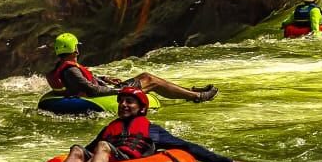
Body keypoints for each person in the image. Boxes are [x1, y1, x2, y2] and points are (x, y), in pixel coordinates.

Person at [51, 88, 250, 162]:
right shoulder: (110, 128)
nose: (123, 105)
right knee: (77, 148)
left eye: (129, 102)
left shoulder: (151, 129)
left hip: (127, 161)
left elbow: (187, 146)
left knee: (102, 146)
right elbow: (86, 151)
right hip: (106, 159)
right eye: (121, 101)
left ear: (142, 109)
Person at [47, 33, 218, 102]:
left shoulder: (65, 67)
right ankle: (197, 96)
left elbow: (84, 82)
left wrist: (103, 78)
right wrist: (119, 91)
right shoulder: (71, 70)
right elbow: (91, 90)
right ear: (75, 49)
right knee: (150, 79)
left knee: (145, 75)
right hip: (106, 93)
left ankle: (189, 91)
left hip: (104, 87)